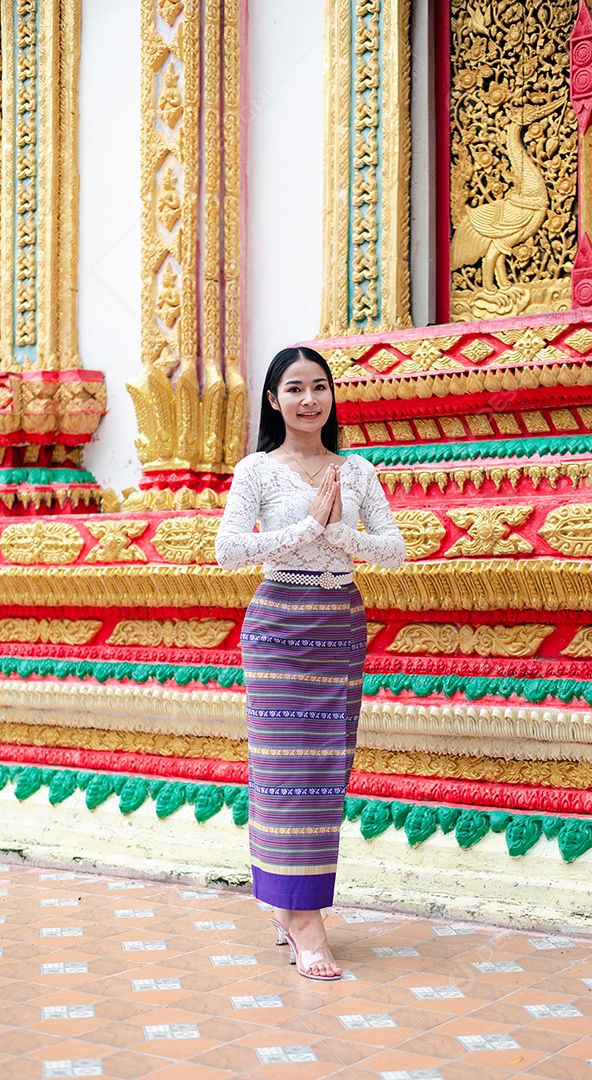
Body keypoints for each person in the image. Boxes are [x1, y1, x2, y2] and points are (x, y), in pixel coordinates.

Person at [215, 346, 406, 981]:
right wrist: (305, 531)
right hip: (277, 626)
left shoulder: (357, 470)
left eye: (318, 386)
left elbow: (394, 552)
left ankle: (285, 901)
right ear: (273, 400)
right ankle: (302, 920)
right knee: (280, 768)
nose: (308, 399)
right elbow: (230, 552)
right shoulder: (256, 471)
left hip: (338, 625)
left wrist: (336, 533)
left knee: (324, 771)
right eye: (293, 388)